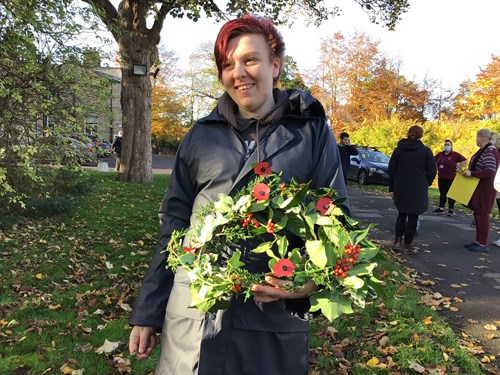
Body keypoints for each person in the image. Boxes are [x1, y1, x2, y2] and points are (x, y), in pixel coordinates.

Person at [127, 14, 349, 375]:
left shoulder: (310, 133)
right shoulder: (200, 135)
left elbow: (336, 223)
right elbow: (174, 225)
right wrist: (148, 312)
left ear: (275, 66)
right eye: (228, 65)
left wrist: (304, 285)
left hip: (269, 316)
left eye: (250, 59)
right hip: (193, 315)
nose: (239, 73)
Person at [388, 125, 437, 254]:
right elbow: (432, 170)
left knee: (402, 214)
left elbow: (391, 169)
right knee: (414, 216)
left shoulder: (398, 150)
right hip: (418, 187)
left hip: (401, 186)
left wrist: (392, 187)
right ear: (421, 135)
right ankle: (408, 244)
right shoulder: (426, 151)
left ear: (408, 133)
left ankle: (397, 241)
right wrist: (426, 182)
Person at [463, 128, 500, 252]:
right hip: (479, 187)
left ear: (483, 138)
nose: (476, 140)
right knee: (477, 213)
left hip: (486, 188)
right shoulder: (484, 150)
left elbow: (490, 171)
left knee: (482, 214)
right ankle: (477, 241)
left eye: (477, 137)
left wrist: (471, 173)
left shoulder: (489, 151)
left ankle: (483, 243)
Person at [433, 140, 467, 216]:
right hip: (441, 177)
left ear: (451, 146)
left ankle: (451, 209)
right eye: (445, 144)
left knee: (451, 194)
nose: (446, 146)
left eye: (448, 145)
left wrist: (459, 166)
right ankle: (441, 208)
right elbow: (433, 161)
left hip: (451, 177)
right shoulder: (440, 154)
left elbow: (465, 160)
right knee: (442, 193)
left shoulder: (455, 154)